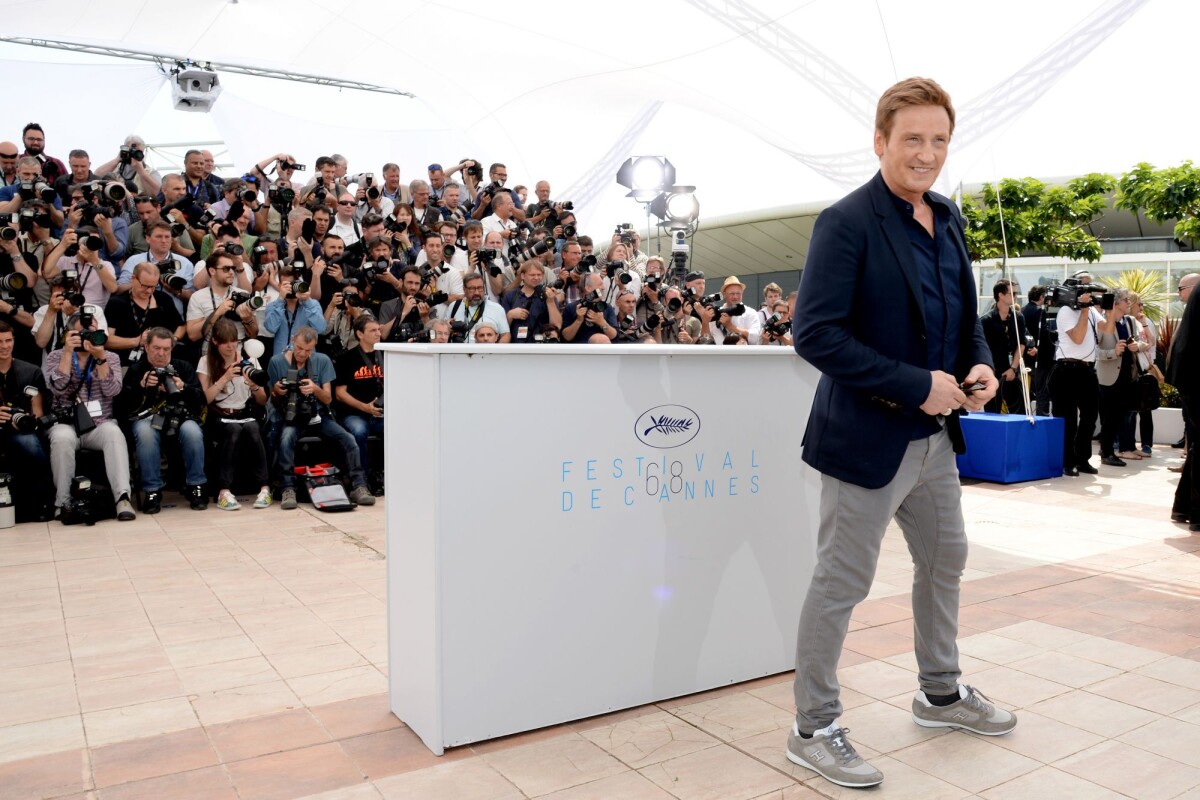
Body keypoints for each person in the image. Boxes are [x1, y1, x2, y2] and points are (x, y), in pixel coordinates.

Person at [788, 77, 1012, 790]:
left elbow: (964, 318)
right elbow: (815, 334)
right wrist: (918, 384)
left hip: (936, 442)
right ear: (881, 141)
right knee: (842, 583)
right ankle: (813, 727)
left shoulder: (946, 218)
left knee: (947, 560)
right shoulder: (846, 222)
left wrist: (978, 364)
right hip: (865, 440)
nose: (926, 153)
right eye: (912, 139)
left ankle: (939, 693)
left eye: (938, 140)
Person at [266, 326, 374, 509]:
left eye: (308, 350)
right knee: (285, 439)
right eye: (299, 348)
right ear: (293, 340)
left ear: (314, 346)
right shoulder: (277, 361)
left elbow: (328, 398)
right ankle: (287, 488)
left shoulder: (321, 360)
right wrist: (277, 390)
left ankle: (359, 485)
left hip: (318, 414)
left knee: (348, 438)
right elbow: (271, 396)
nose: (302, 353)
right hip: (292, 415)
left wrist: (315, 389)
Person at [43, 310, 135, 521]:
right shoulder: (55, 356)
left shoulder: (110, 357)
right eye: (80, 334)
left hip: (99, 423)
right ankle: (63, 502)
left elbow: (113, 391)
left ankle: (122, 498)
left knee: (114, 433)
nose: (86, 338)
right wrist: (67, 353)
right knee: (61, 439)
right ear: (69, 335)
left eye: (91, 333)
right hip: (66, 423)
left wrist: (100, 358)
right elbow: (58, 388)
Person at [120, 327, 208, 512]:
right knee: (145, 432)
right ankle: (152, 490)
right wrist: (141, 386)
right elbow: (122, 406)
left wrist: (183, 387)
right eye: (156, 348)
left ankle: (196, 485)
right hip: (148, 418)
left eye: (166, 349)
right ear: (146, 347)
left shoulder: (182, 367)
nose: (161, 353)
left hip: (180, 416)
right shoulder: (137, 369)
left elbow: (201, 399)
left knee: (192, 431)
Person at [197, 319, 271, 510]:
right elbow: (204, 399)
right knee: (233, 430)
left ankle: (264, 487)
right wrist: (225, 378)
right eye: (226, 342)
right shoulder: (206, 362)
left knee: (253, 428)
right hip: (219, 415)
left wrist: (254, 385)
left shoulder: (250, 360)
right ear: (215, 341)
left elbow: (262, 400)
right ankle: (224, 491)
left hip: (244, 412)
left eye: (234, 342)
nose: (231, 346)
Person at [0, 320, 53, 520]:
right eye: (0, 341)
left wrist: (26, 419)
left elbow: (38, 413)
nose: (4, 346)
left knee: (30, 442)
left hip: (21, 430)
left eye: (8, 340)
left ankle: (42, 502)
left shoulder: (31, 371)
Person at [334, 315, 384, 491]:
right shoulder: (346, 358)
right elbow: (339, 394)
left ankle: (386, 474)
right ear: (360, 334)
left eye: (378, 329)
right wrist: (365, 407)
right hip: (354, 413)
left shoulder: (386, 355)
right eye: (373, 330)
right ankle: (361, 479)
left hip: (381, 413)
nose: (378, 333)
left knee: (397, 429)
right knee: (359, 431)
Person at [1096, 288, 1137, 467]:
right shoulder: (1101, 322)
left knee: (1119, 415)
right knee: (1109, 417)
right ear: (1116, 303)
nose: (1129, 302)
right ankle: (1107, 452)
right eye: (1126, 299)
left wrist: (1137, 346)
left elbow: (1136, 342)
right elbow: (1095, 351)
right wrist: (1114, 352)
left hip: (1126, 376)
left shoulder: (1129, 322)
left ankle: (1108, 448)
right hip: (1108, 377)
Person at [979, 279, 1031, 414]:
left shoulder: (1018, 317)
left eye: (1016, 293)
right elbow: (982, 348)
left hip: (1013, 371)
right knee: (992, 412)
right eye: (1012, 293)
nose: (1016, 297)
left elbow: (1021, 343)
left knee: (1021, 412)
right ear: (1001, 295)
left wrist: (1013, 368)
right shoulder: (986, 320)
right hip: (993, 374)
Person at [1124, 293, 1156, 457]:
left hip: (1144, 368)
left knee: (1145, 408)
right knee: (1131, 409)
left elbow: (1151, 342)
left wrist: (1144, 325)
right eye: (1139, 304)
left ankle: (1146, 444)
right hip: (1132, 368)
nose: (1141, 307)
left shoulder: (1144, 321)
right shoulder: (1126, 321)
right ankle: (1126, 444)